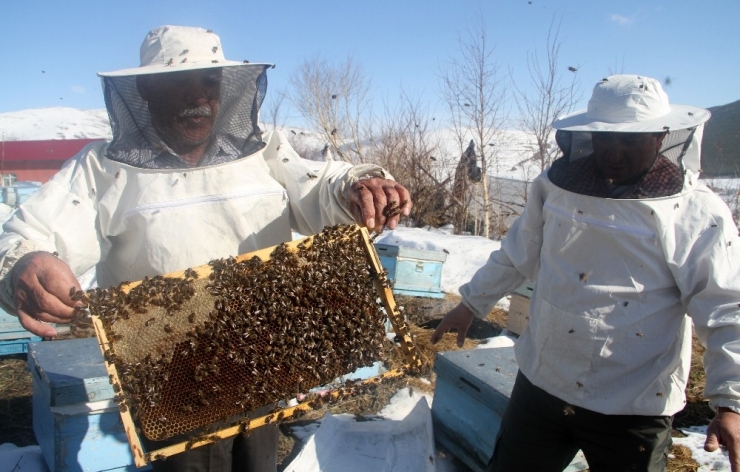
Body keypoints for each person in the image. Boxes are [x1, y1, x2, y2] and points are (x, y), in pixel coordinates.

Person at [0, 25, 411, 472]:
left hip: (263, 355)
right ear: (144, 89)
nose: (199, 97)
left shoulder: (262, 153)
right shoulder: (101, 169)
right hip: (171, 376)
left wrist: (357, 187)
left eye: (210, 83)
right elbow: (33, 231)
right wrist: (26, 261)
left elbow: (320, 188)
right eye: (180, 82)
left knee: (257, 463)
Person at [431, 75, 740, 471]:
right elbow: (517, 253)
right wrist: (471, 303)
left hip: (633, 401)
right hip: (543, 382)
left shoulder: (697, 212)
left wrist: (730, 402)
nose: (614, 153)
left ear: (661, 137)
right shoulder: (556, 186)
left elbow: (726, 306)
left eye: (630, 140)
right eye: (605, 138)